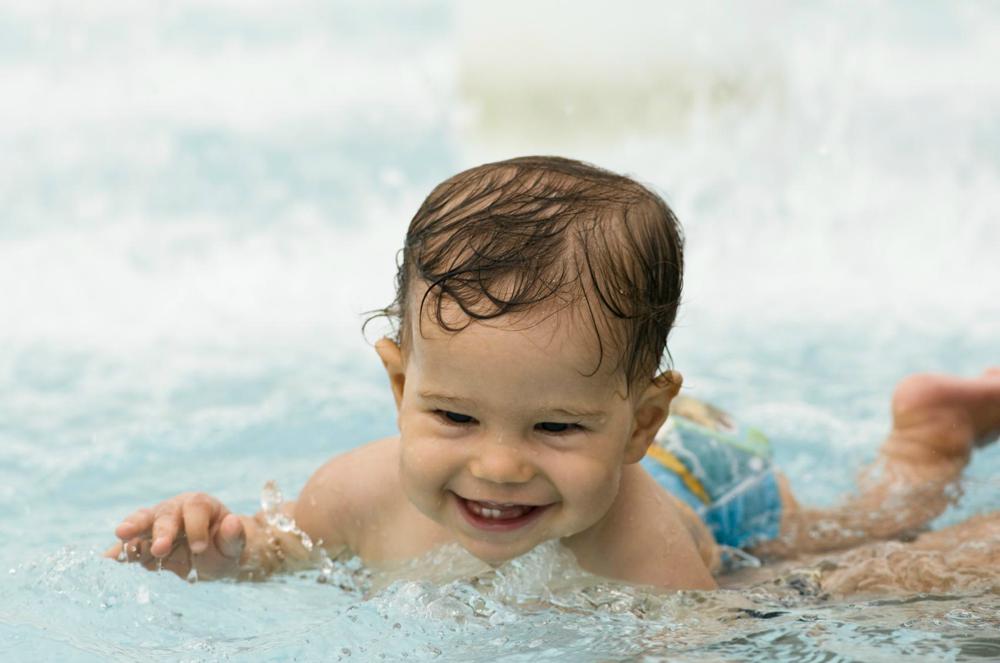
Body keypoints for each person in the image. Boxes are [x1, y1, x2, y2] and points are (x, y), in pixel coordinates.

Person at [105, 156, 1000, 589]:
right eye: (454, 416)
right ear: (399, 386)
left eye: (554, 427)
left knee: (837, 549)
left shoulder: (645, 553)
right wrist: (217, 546)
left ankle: (925, 445)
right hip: (641, 433)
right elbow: (287, 552)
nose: (499, 464)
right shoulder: (352, 491)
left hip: (711, 477)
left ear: (637, 420)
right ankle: (931, 427)